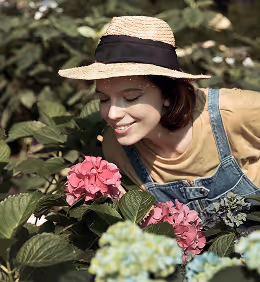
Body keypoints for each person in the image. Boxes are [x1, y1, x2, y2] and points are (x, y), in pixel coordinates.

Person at [59, 16, 260, 214]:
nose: (112, 113)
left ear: (168, 94)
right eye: (104, 99)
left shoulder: (232, 112)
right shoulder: (116, 147)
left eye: (130, 98)